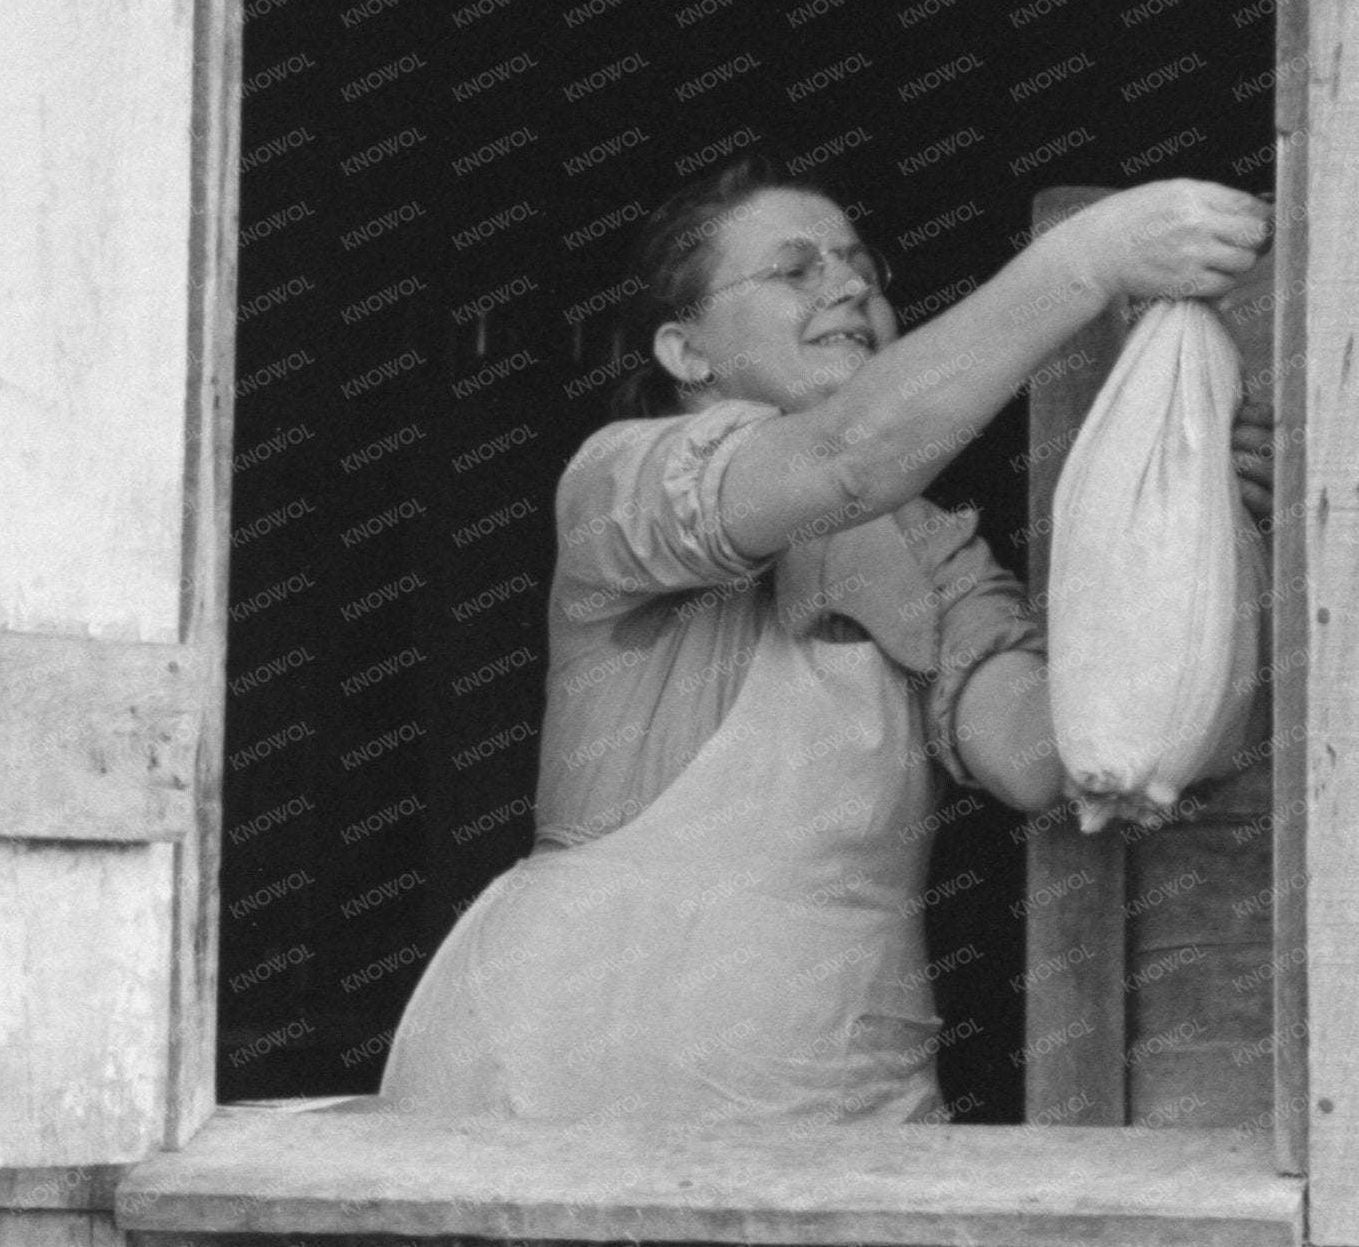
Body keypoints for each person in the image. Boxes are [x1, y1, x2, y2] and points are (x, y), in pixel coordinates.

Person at [375, 159, 1271, 1125]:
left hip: (835, 1089)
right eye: (796, 271)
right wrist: (1084, 264)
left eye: (861, 269)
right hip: (578, 1071)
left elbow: (1043, 762)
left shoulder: (937, 553)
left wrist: (1193, 518)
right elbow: (849, 458)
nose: (849, 286)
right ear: (686, 351)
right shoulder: (621, 481)